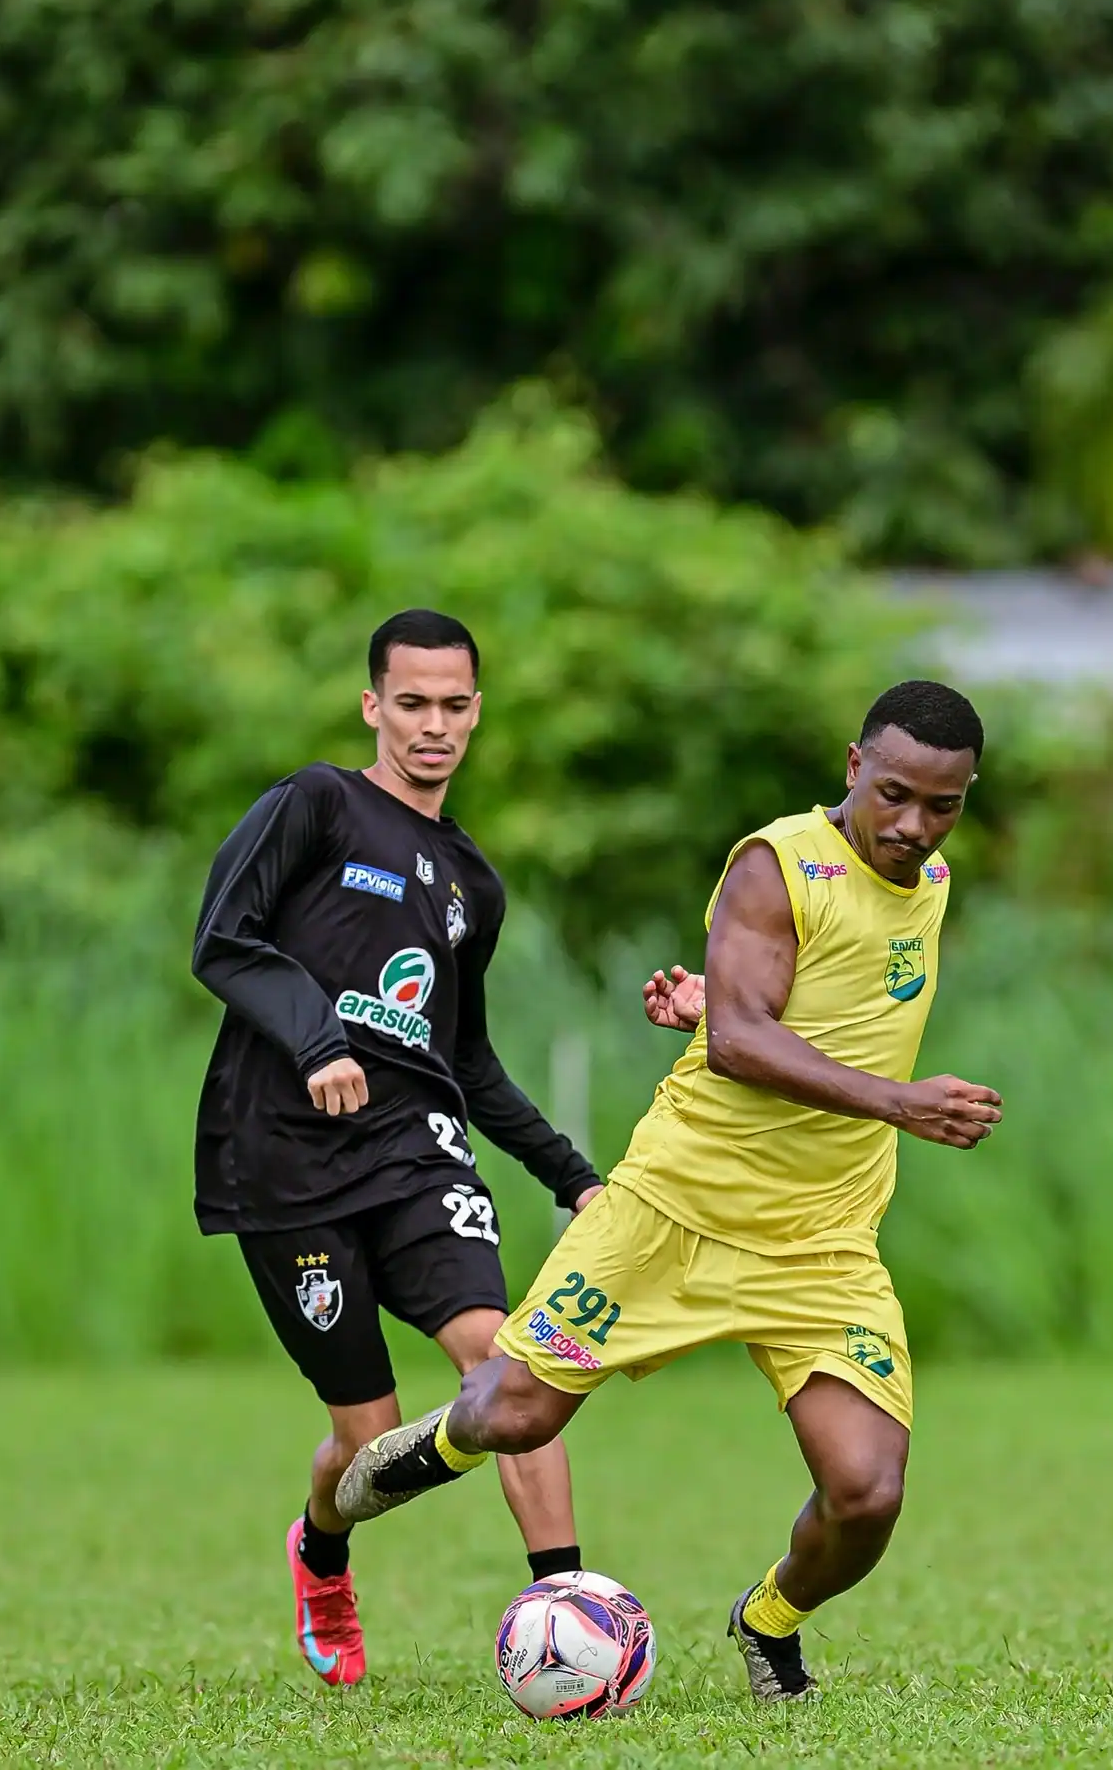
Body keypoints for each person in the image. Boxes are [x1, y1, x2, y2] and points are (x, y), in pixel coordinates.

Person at [335, 679, 1002, 1701]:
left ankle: (766, 1621)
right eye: (896, 794)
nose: (913, 825)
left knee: (865, 1494)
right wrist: (897, 1101)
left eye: (942, 804)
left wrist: (716, 1010)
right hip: (669, 1214)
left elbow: (797, 1004)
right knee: (512, 1416)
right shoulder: (775, 864)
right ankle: (436, 1440)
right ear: (852, 764)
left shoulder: (933, 880)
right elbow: (741, 1041)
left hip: (818, 1242)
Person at [191, 608, 602, 1688]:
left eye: (453, 704)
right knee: (367, 1449)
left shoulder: (474, 884)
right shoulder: (316, 804)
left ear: (476, 711)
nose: (433, 724)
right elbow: (223, 940)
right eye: (410, 702)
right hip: (283, 1155)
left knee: (512, 1364)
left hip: (418, 1150)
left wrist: (574, 1176)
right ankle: (322, 1548)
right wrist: (318, 1039)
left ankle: (566, 1612)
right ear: (373, 704)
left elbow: (466, 1059)